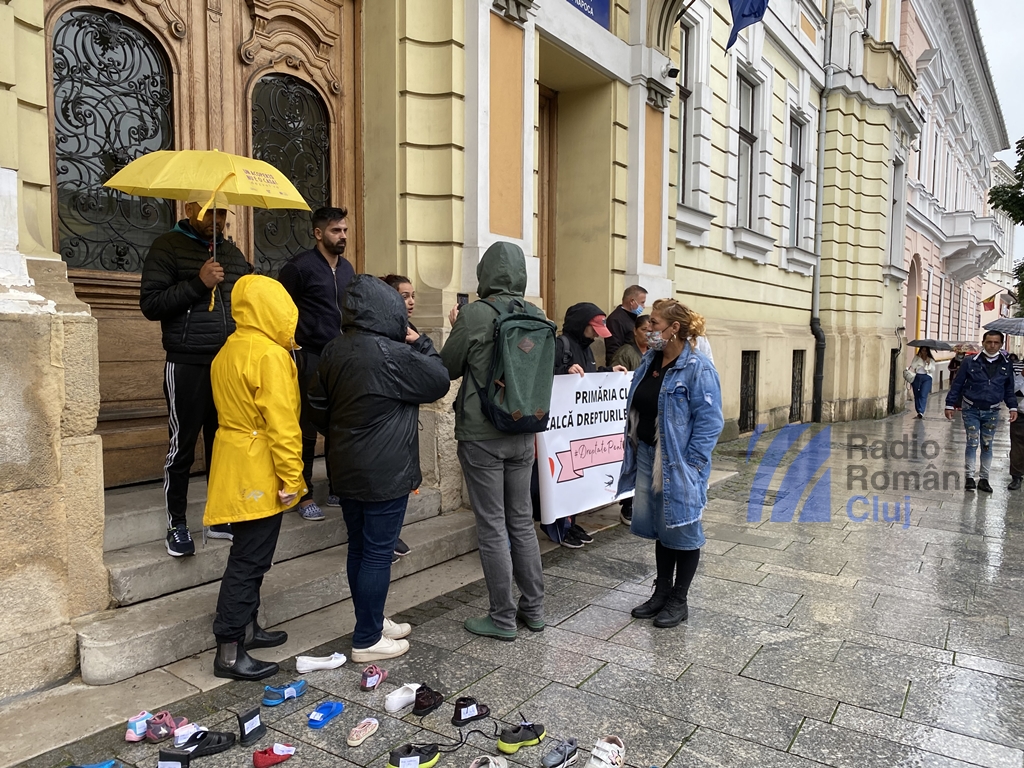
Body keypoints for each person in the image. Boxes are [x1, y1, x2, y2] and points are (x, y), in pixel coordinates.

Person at [310, 275, 450, 662]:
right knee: (377, 553)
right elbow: (439, 379)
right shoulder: (394, 354)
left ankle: (369, 621)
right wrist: (420, 341)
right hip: (384, 469)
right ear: (388, 312)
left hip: (347, 464)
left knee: (361, 547)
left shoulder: (334, 349)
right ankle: (368, 638)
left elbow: (317, 407)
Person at [441, 242, 550, 641]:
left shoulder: (473, 314)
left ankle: (502, 617)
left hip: (482, 431)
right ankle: (534, 610)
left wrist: (456, 324)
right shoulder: (537, 314)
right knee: (521, 522)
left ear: (485, 273)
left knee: (492, 526)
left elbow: (448, 367)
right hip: (522, 430)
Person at [140, 191, 252, 557]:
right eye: (209, 213)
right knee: (182, 447)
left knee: (223, 445)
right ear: (189, 209)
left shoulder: (231, 253)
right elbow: (151, 304)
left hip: (228, 364)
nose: (217, 221)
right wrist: (198, 284)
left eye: (222, 214)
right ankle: (177, 523)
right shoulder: (167, 246)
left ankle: (219, 517)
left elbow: (248, 297)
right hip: (187, 362)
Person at [205, 275, 305, 680]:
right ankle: (229, 650)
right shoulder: (270, 356)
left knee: (249, 554)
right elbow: (283, 425)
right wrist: (293, 478)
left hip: (233, 461)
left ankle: (248, 627)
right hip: (260, 467)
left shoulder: (227, 349)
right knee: (249, 560)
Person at [618, 298, 724, 628]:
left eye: (654, 324)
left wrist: (692, 466)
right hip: (649, 456)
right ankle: (661, 593)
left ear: (674, 328)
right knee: (663, 530)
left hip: (679, 463)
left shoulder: (699, 369)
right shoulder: (649, 360)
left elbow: (710, 422)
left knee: (684, 528)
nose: (648, 329)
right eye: (648, 324)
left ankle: (680, 599)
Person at [278, 207, 355, 523]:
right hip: (308, 356)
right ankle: (304, 492)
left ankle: (337, 486)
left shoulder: (348, 269)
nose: (343, 237)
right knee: (306, 428)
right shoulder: (299, 268)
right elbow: (281, 310)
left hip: (340, 358)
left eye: (345, 231)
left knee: (339, 425)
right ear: (318, 233)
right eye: (336, 231)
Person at [545, 302, 628, 547]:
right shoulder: (560, 345)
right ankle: (558, 523)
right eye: (593, 328)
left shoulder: (587, 349)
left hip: (577, 428)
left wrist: (609, 372)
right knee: (561, 475)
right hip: (560, 430)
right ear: (581, 325)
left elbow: (587, 378)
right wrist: (563, 370)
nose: (596, 334)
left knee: (576, 477)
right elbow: (545, 375)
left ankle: (571, 520)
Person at [944, 331, 1018, 493]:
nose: (992, 345)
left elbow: (1009, 389)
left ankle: (984, 479)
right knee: (972, 442)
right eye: (989, 342)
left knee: (986, 444)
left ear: (1001, 344)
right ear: (983, 342)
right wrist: (950, 404)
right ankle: (970, 477)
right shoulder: (970, 362)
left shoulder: (1006, 364)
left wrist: (1012, 407)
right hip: (971, 408)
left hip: (992, 410)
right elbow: (957, 384)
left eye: (996, 342)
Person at [379, 274, 419, 562]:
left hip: (405, 418)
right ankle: (385, 539)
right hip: (385, 420)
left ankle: (392, 534)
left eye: (413, 295)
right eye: (405, 296)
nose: (412, 301)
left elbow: (433, 375)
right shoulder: (382, 331)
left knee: (405, 480)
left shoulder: (411, 330)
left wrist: (421, 343)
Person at [610, 314, 651, 526]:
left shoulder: (654, 353)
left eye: (651, 329)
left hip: (647, 414)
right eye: (644, 329)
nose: (648, 334)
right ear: (635, 330)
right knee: (630, 457)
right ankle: (627, 504)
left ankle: (641, 501)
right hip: (629, 414)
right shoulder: (626, 353)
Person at [604, 285, 647, 366]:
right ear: (632, 301)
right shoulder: (615, 319)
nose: (644, 306)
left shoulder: (632, 317)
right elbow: (613, 349)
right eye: (642, 302)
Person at [1009, 353, 1024, 490]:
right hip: (1020, 414)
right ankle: (1016, 476)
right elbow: (1011, 391)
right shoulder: (1018, 372)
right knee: (1017, 447)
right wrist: (1022, 376)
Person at [908, 347, 935, 418]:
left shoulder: (930, 359)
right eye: (923, 351)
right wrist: (919, 359)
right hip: (917, 377)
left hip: (927, 377)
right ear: (920, 351)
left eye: (926, 351)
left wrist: (928, 363)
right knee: (917, 394)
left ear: (928, 352)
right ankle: (918, 411)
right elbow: (913, 366)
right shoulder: (916, 358)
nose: (924, 352)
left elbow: (932, 370)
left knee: (923, 394)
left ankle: (921, 411)